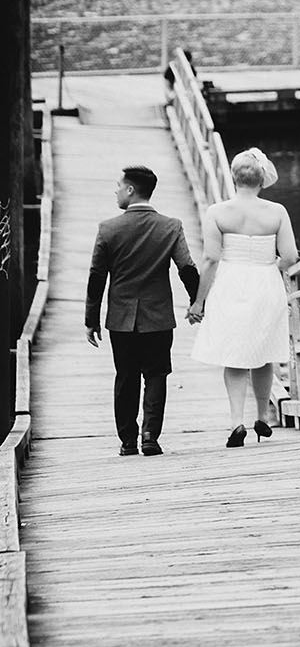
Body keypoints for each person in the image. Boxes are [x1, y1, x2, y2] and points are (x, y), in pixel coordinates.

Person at [85, 165, 202, 457]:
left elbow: (97, 276)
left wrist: (91, 319)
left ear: (130, 190)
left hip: (121, 319)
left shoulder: (108, 228)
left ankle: (127, 441)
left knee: (126, 376)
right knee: (157, 374)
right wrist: (197, 301)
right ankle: (150, 435)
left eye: (118, 185)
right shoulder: (170, 226)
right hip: (158, 317)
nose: (115, 190)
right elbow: (187, 267)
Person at [189, 147, 300, 448]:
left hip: (231, 281)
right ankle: (262, 416)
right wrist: (270, 266)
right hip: (265, 280)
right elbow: (289, 256)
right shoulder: (276, 212)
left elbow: (211, 258)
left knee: (234, 353)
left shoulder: (217, 212)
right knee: (263, 351)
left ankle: (236, 421)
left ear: (233, 177)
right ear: (263, 179)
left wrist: (199, 302)